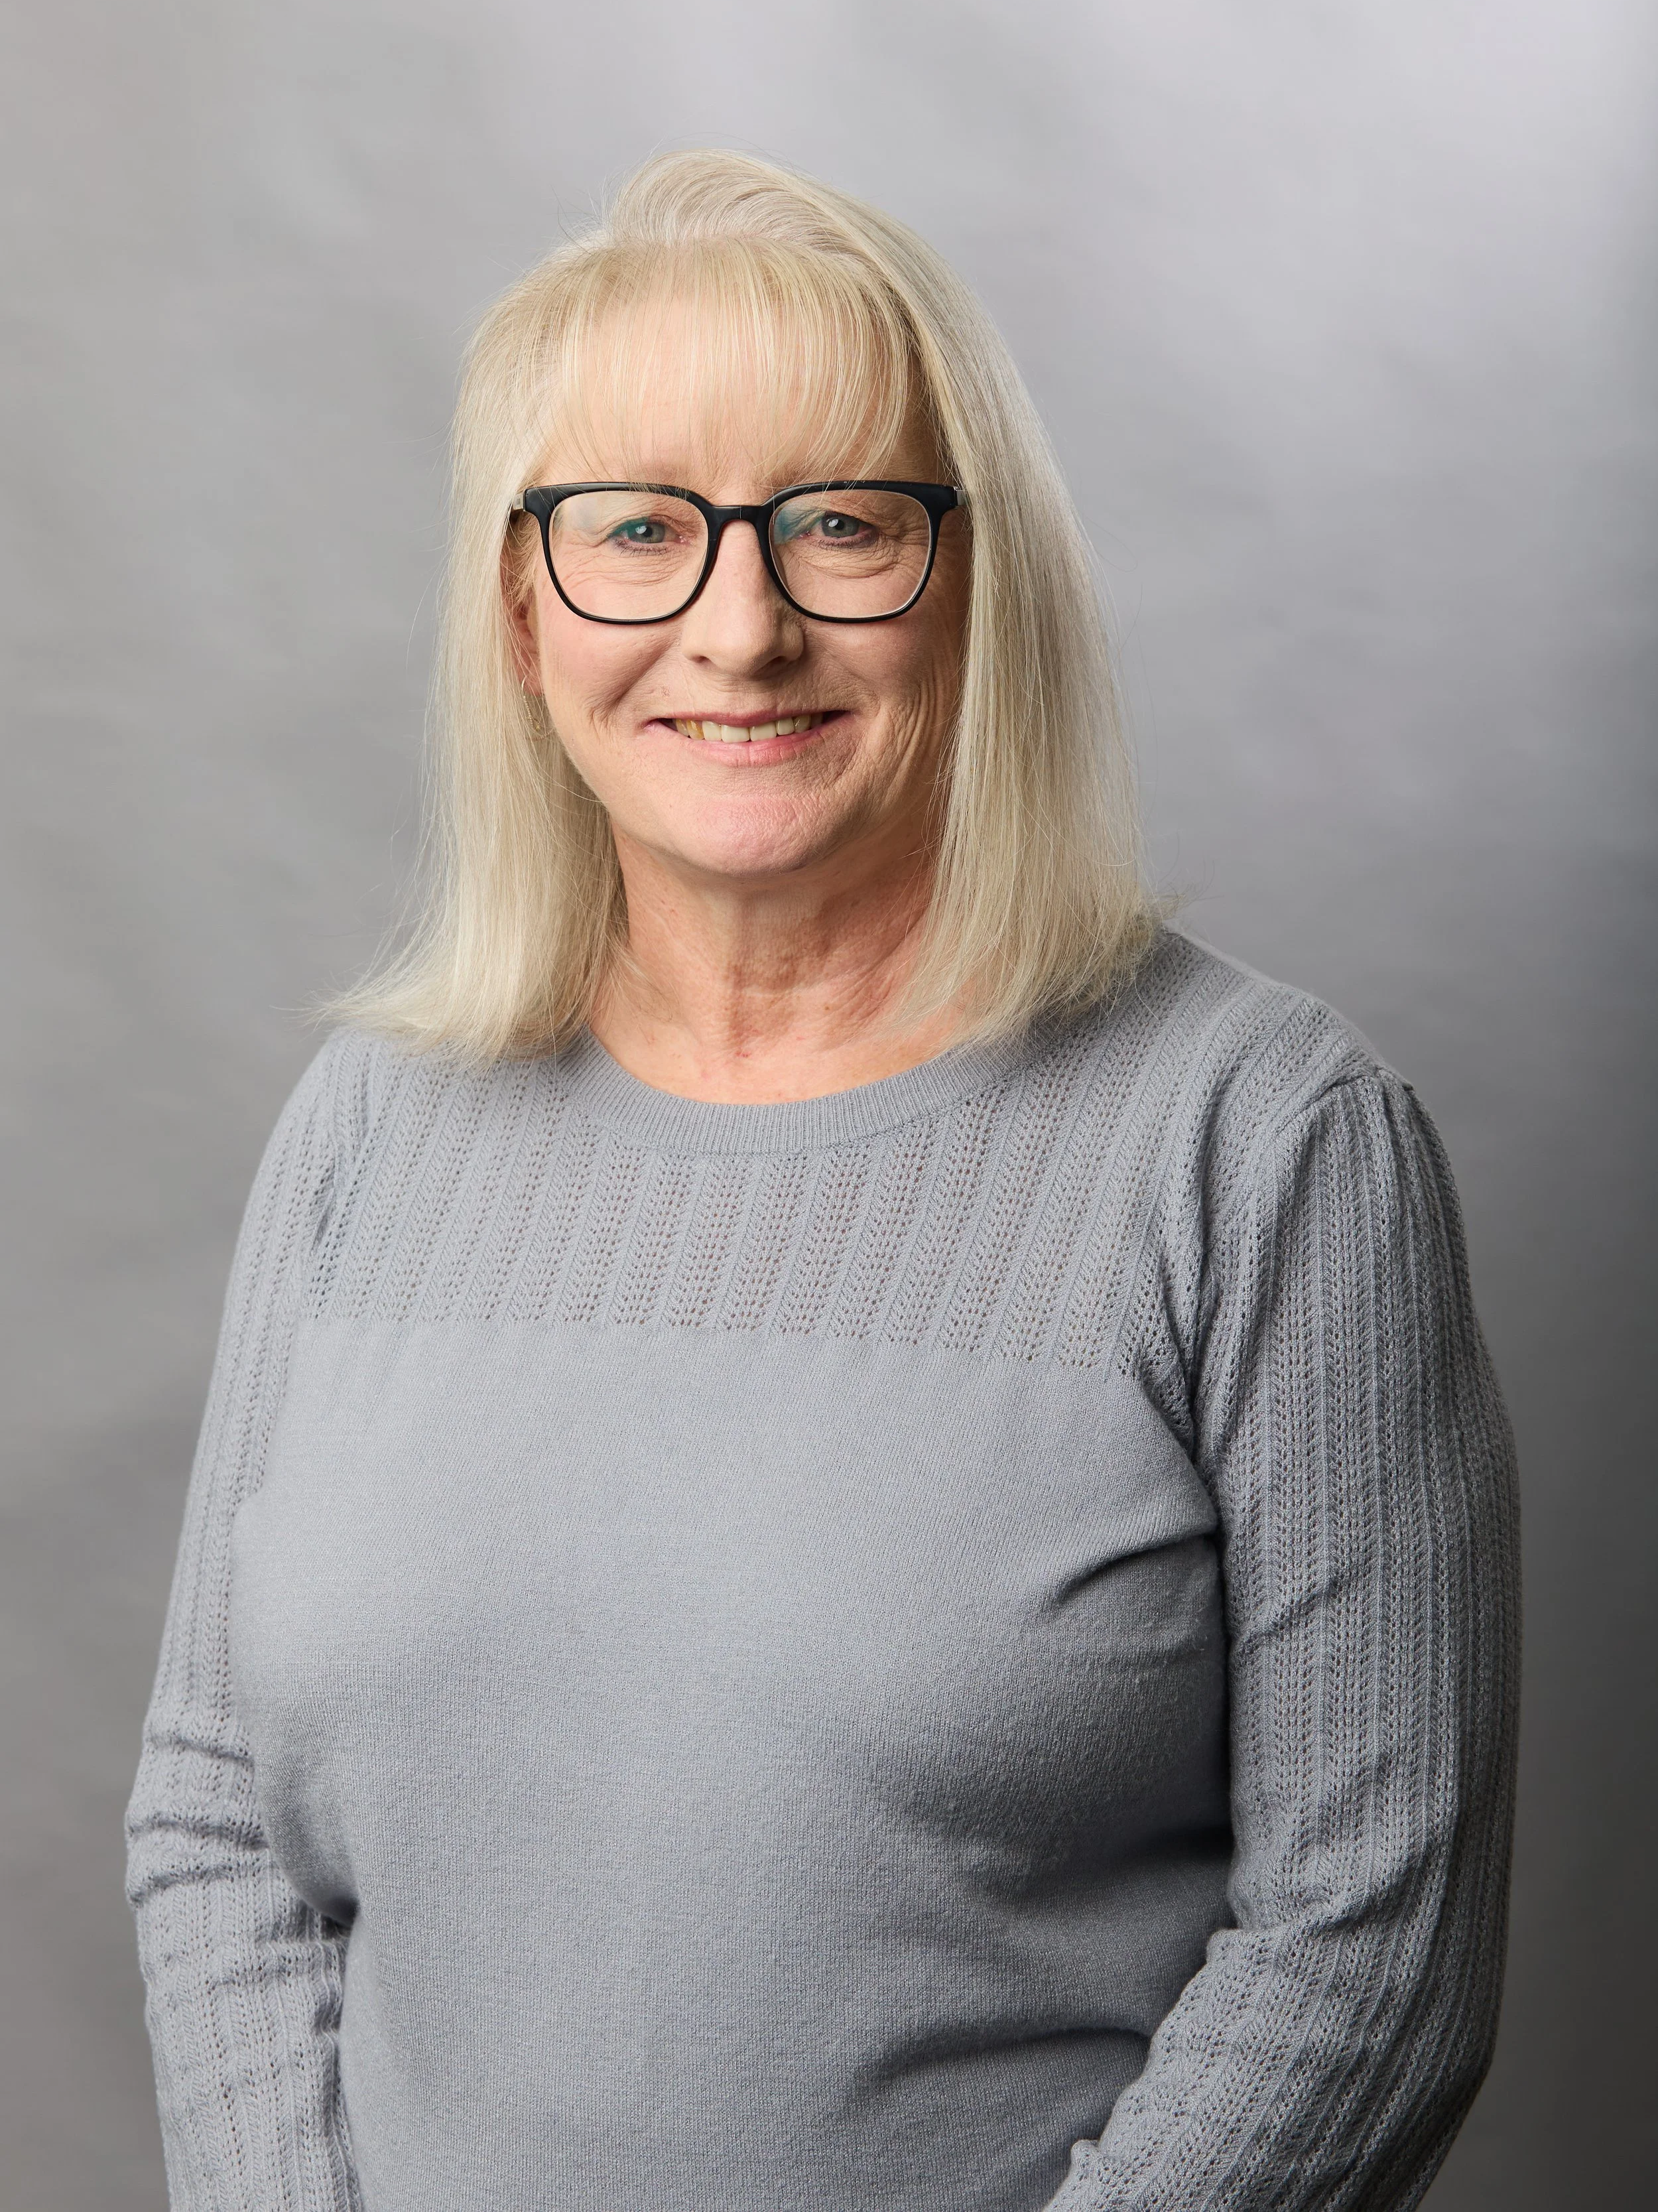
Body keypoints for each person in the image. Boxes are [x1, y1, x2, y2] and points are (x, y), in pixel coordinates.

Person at [125, 151, 1519, 2212]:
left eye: (844, 524)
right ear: (521, 614)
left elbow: (1370, 1946)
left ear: (976, 584)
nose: (741, 627)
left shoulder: (1262, 1139)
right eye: (634, 532)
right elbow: (216, 1821)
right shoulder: (371, 1128)